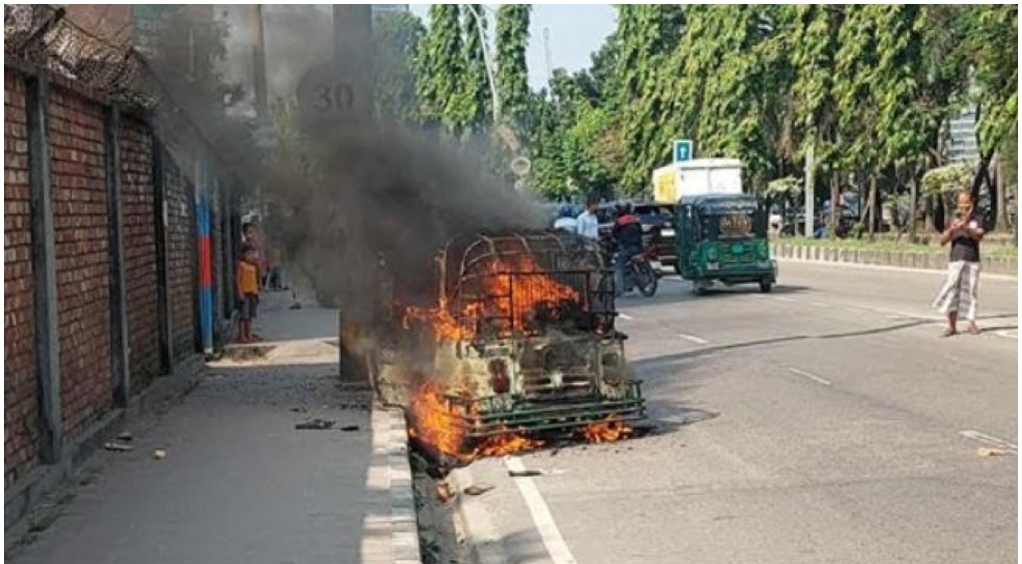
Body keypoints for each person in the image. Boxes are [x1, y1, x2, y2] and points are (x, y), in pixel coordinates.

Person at [932, 191, 984, 337]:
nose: (964, 208)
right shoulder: (952, 218)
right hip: (956, 259)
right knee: (952, 291)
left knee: (971, 292)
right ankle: (951, 326)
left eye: (966, 205)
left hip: (972, 259)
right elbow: (942, 241)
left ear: (972, 203)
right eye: (961, 205)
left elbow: (980, 235)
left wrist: (966, 228)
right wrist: (953, 229)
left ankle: (971, 323)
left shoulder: (977, 218)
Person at [612, 202, 644, 297]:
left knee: (618, 266)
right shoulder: (635, 219)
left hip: (627, 248)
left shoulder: (620, 221)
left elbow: (614, 234)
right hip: (639, 247)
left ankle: (619, 288)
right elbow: (641, 232)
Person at [236, 244, 262, 343]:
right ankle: (242, 336)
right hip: (245, 293)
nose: (250, 256)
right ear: (243, 255)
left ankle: (249, 334)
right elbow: (238, 279)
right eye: (248, 254)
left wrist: (258, 288)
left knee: (250, 315)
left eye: (252, 254)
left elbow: (257, 278)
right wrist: (240, 292)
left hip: (253, 292)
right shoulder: (241, 265)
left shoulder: (254, 265)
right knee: (243, 316)